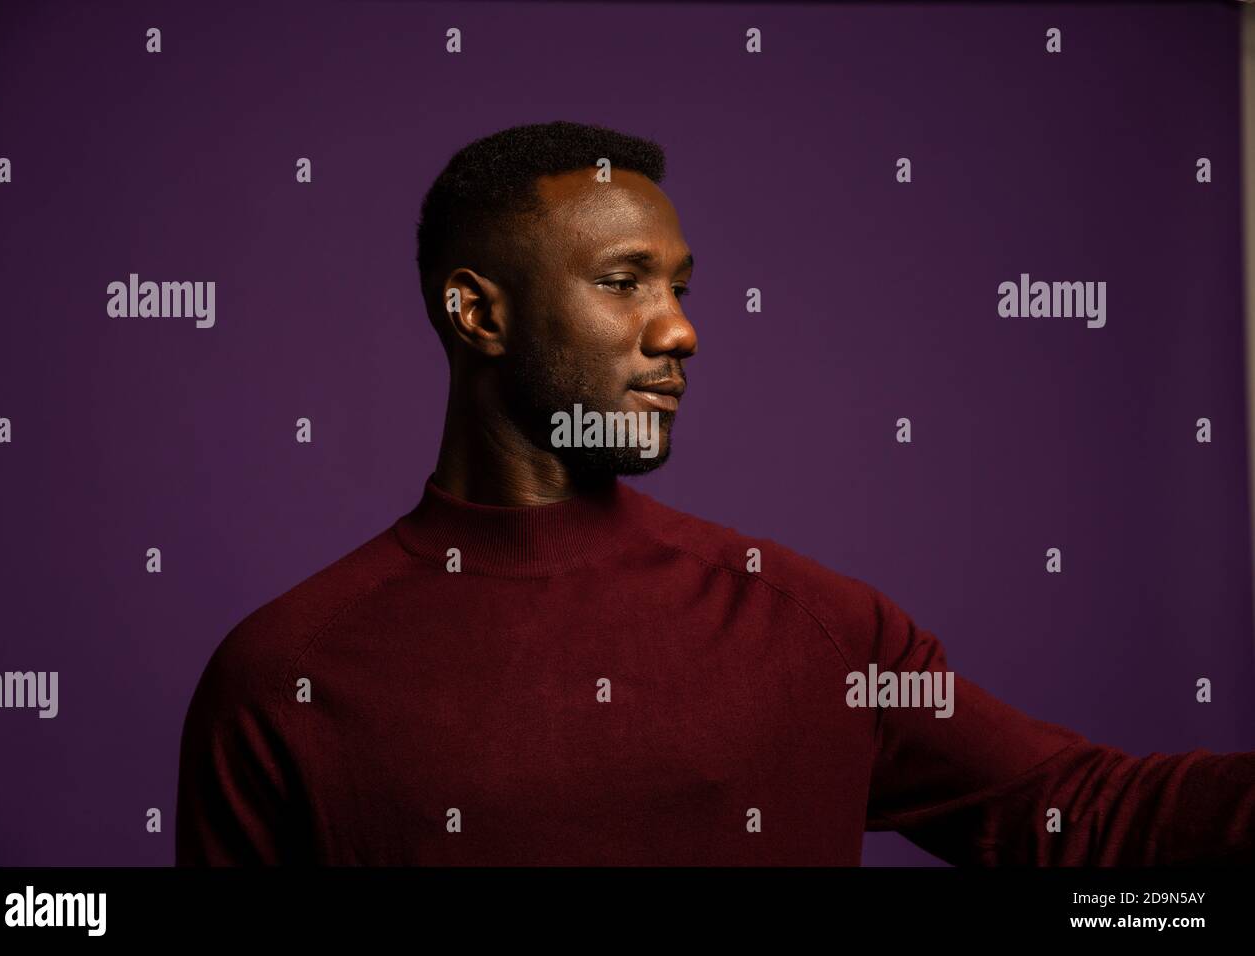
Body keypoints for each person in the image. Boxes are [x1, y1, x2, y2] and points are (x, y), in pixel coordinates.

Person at [175, 120, 1255, 865]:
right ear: (478, 313)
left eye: (679, 288)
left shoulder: (823, 631)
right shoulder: (283, 677)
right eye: (621, 281)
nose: (681, 329)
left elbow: (1080, 819)